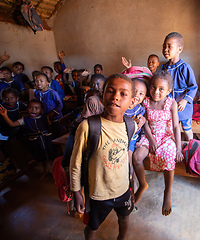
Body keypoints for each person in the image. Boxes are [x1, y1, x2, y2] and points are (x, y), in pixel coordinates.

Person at [70, 73, 137, 240]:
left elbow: (125, 156)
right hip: (98, 193)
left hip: (123, 189)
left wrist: (131, 183)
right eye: (110, 91)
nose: (115, 97)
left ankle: (121, 238)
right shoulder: (88, 127)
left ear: (132, 102)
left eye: (123, 94)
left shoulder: (131, 125)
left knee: (124, 217)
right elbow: (76, 162)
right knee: (92, 226)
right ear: (101, 96)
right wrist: (76, 192)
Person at [132, 70, 184, 216]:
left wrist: (178, 148)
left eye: (161, 89)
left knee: (169, 156)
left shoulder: (171, 103)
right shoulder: (146, 102)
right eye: (153, 87)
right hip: (149, 135)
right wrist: (151, 139)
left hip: (166, 136)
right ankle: (142, 184)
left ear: (169, 91)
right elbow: (145, 123)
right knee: (136, 157)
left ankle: (167, 192)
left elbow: (175, 127)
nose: (156, 91)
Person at [0, 99, 56, 180]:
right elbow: (12, 124)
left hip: (47, 140)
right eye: (30, 108)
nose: (33, 110)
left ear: (41, 110)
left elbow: (52, 127)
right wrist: (5, 115)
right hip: (35, 142)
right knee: (42, 158)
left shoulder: (45, 118)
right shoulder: (24, 119)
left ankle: (53, 173)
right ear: (27, 109)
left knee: (51, 156)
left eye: (36, 108)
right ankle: (46, 171)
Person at [61, 74, 105, 170]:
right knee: (73, 135)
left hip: (95, 128)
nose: (95, 87)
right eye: (93, 84)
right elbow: (85, 117)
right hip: (85, 127)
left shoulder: (105, 100)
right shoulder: (92, 98)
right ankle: (67, 163)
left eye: (98, 84)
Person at [161, 32, 198, 141]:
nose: (165, 49)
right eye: (164, 46)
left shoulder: (185, 68)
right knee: (172, 128)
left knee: (187, 129)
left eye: (169, 46)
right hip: (170, 105)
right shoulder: (163, 68)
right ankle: (176, 148)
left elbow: (193, 87)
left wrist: (185, 100)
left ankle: (191, 144)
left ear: (179, 49)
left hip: (183, 106)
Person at [34, 72, 65, 138]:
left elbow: (60, 105)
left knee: (58, 133)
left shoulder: (52, 92)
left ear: (47, 82)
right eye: (37, 81)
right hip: (44, 117)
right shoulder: (37, 93)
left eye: (41, 81)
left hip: (55, 117)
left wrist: (53, 113)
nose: (39, 83)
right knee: (48, 134)